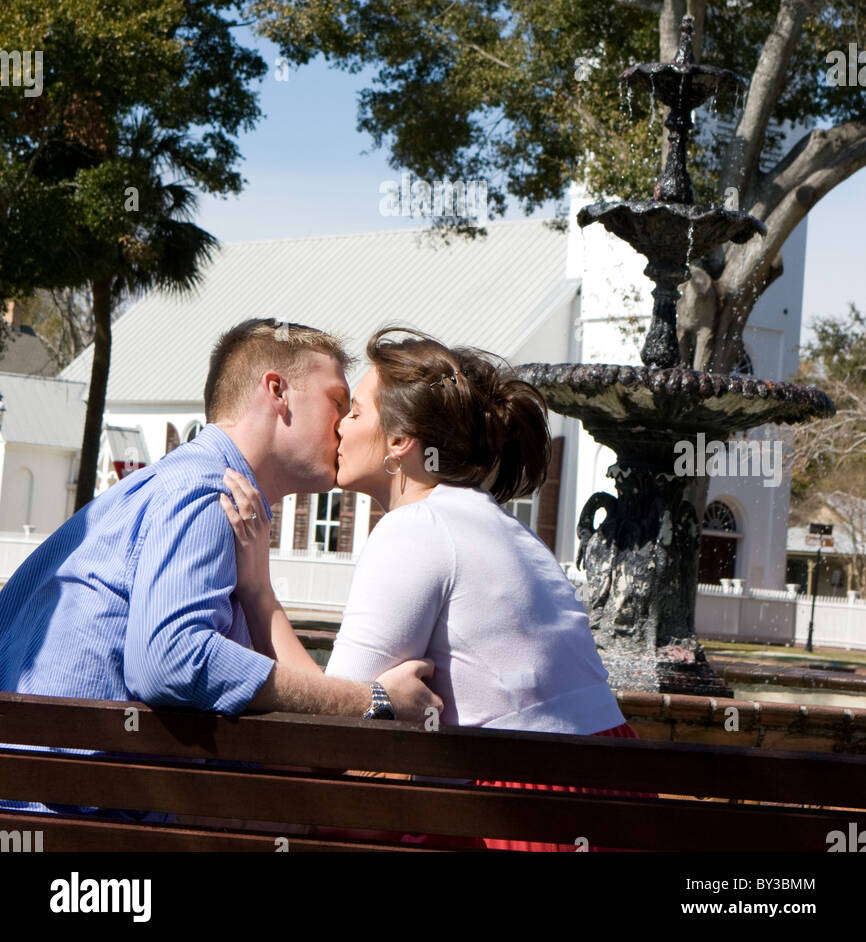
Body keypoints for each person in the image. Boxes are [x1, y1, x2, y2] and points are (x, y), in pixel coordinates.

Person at [224, 325, 649, 852]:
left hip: (528, 810)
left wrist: (258, 588)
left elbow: (327, 733)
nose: (338, 428)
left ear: (399, 444)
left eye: (355, 411)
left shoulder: (416, 528)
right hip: (607, 794)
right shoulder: (502, 525)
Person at [0, 319, 441, 818]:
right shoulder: (209, 492)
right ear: (277, 391)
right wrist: (372, 700)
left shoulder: (162, 486)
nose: (343, 423)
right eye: (337, 400)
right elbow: (173, 660)